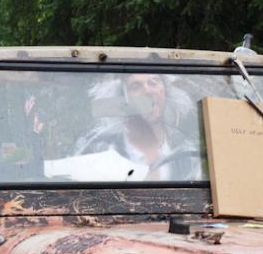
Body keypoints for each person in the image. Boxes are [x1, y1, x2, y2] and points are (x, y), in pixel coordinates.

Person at [72, 73, 204, 180]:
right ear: (123, 100)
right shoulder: (97, 147)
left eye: (153, 82)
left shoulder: (187, 151)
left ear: (164, 91)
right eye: (136, 86)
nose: (148, 91)